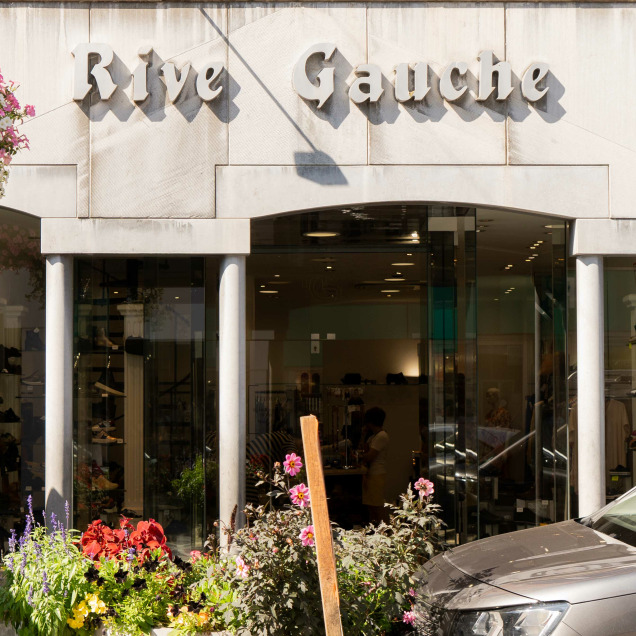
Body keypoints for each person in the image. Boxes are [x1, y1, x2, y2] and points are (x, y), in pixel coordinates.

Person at [360, 407, 389, 525]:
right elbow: (363, 448)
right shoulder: (374, 436)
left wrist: (362, 457)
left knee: (377, 506)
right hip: (372, 473)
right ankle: (376, 529)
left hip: (377, 473)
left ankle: (383, 530)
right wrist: (363, 435)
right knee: (371, 505)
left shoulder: (382, 436)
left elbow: (370, 456)